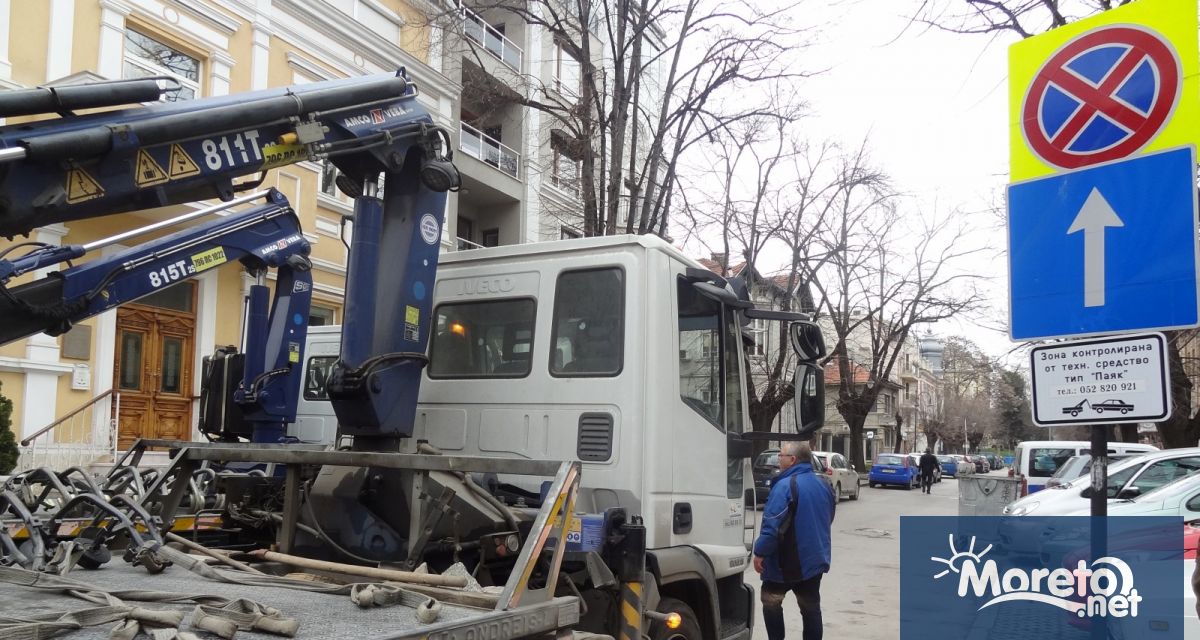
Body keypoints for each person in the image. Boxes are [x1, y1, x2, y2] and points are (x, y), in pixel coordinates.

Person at [752, 442, 835, 640]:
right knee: (811, 608)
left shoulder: (784, 486)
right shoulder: (823, 484)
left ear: (793, 459)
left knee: (771, 601)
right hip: (815, 559)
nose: (778, 459)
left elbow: (772, 526)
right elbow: (828, 517)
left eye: (781, 455)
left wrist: (760, 552)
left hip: (786, 563)